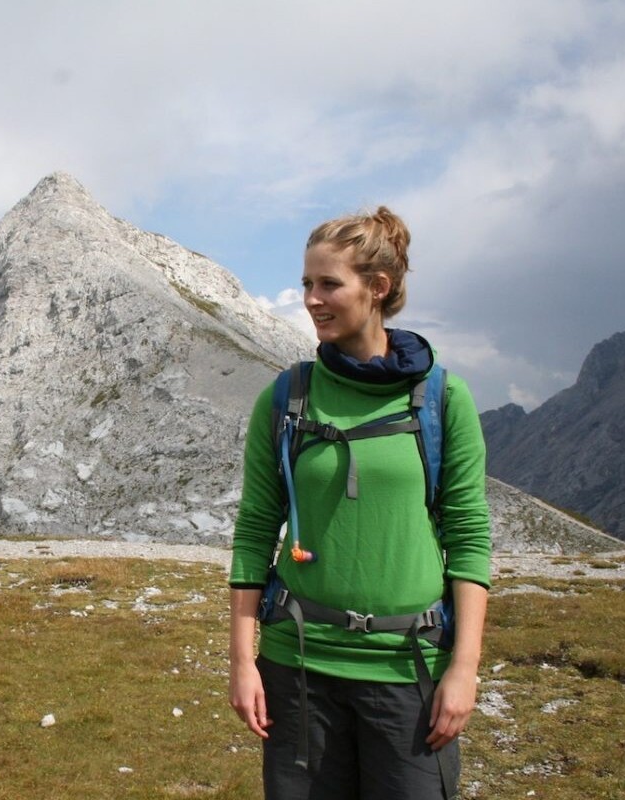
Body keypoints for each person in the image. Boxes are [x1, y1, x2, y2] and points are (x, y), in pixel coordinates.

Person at [228, 207, 491, 799]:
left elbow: (469, 535)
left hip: (408, 669)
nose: (311, 300)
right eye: (306, 283)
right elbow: (254, 531)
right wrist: (243, 662)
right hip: (298, 669)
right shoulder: (286, 397)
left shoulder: (442, 399)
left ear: (378, 287)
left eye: (329, 284)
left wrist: (464, 667)